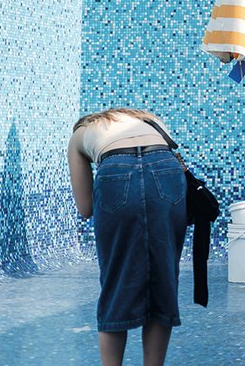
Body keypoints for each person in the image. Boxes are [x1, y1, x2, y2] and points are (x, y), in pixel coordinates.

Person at [68, 107, 187, 366]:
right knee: (162, 280)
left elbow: (85, 208)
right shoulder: (151, 120)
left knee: (116, 282)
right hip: (164, 167)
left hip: (115, 168)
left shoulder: (80, 134)